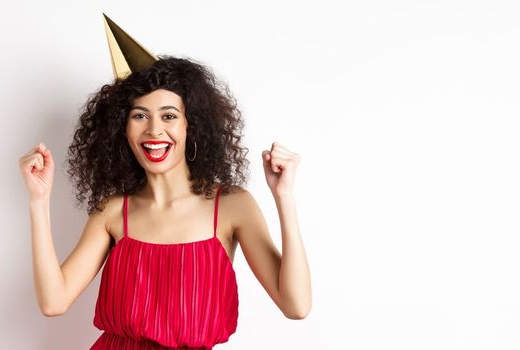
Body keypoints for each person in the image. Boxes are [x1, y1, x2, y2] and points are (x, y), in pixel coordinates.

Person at [18, 15, 311, 349]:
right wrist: (38, 201)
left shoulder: (232, 206)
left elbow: (296, 306)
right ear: (121, 129)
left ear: (191, 126)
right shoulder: (112, 211)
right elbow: (54, 302)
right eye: (139, 115)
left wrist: (284, 198)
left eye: (169, 116)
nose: (154, 130)